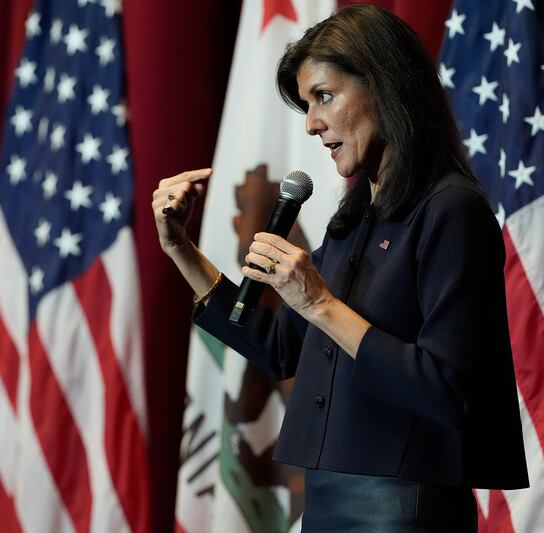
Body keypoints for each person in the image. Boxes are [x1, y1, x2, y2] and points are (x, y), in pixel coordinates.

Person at [152, 4, 528, 531]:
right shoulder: (354, 220)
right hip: (327, 498)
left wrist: (321, 303)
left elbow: (450, 388)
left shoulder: (450, 210)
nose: (311, 124)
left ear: (385, 86)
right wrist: (180, 249)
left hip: (405, 507)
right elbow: (281, 346)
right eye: (306, 105)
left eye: (324, 97)